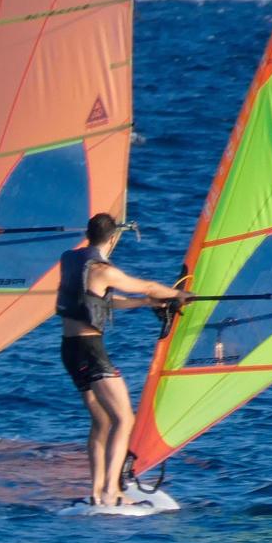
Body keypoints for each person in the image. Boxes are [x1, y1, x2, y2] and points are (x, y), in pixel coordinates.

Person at [57, 212, 191, 505]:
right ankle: (111, 493)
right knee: (123, 419)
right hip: (90, 351)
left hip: (69, 349)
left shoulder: (70, 259)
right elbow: (148, 285)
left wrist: (145, 304)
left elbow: (100, 301)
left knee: (102, 421)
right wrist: (179, 295)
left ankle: (96, 493)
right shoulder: (103, 269)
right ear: (114, 238)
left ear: (88, 235)